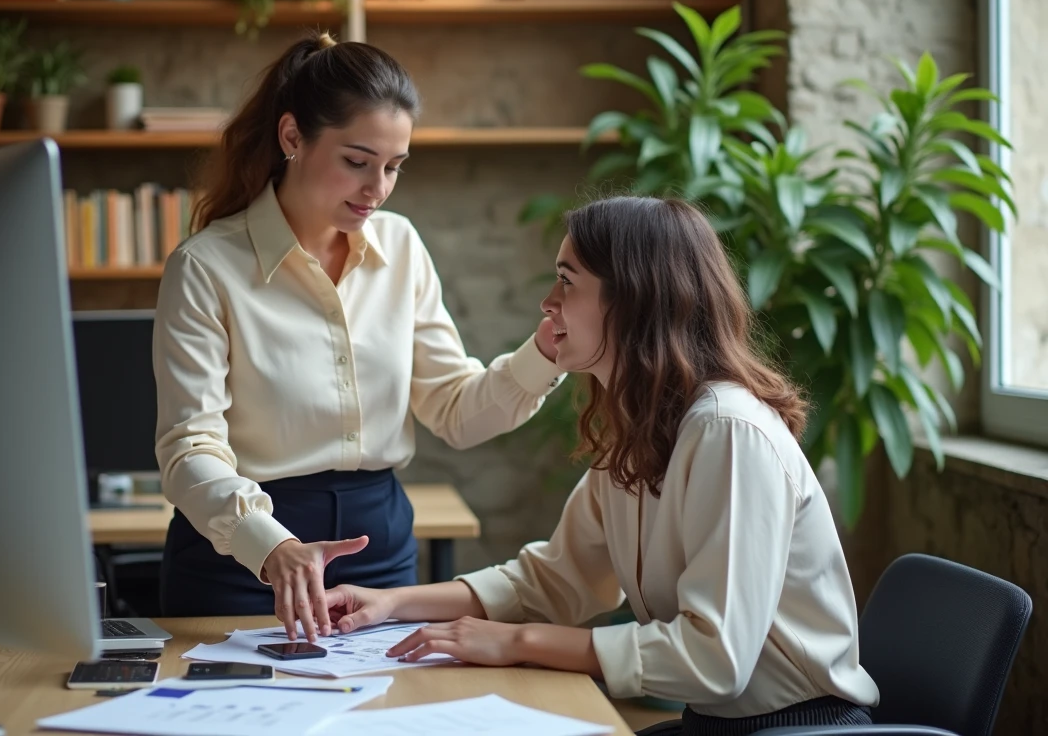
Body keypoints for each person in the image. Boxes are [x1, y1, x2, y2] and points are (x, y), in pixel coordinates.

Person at [323, 196, 881, 734]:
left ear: (633, 301)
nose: (548, 303)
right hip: (717, 726)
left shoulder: (727, 430)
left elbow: (715, 658)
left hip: (802, 730)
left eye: (567, 282)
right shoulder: (642, 428)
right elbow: (554, 580)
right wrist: (393, 603)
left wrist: (518, 642)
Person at [152, 31, 563, 638]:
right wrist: (269, 545)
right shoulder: (205, 267)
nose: (378, 189)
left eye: (394, 167)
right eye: (357, 162)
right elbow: (190, 448)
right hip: (242, 559)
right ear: (292, 137)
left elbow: (454, 409)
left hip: (381, 557)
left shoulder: (401, 246)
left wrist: (545, 354)